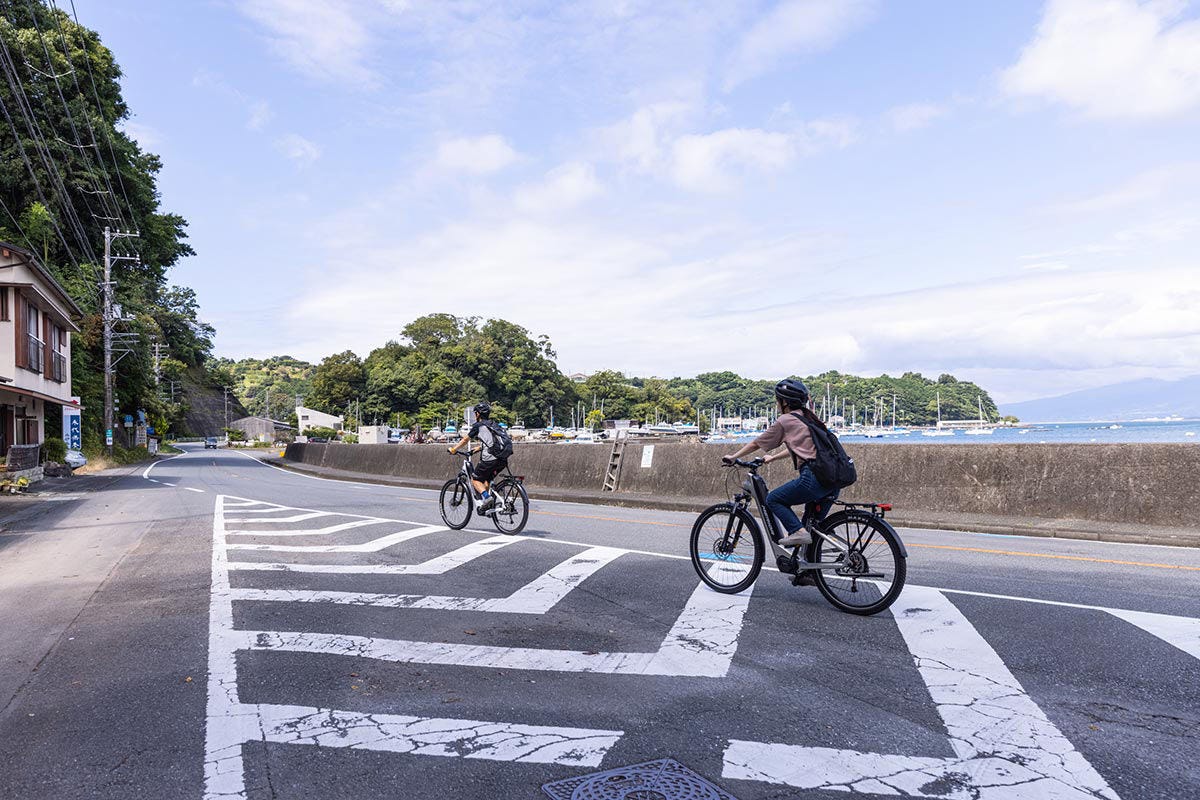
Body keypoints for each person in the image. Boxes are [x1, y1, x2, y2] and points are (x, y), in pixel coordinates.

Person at [722, 378, 839, 548]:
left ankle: (797, 532)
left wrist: (734, 456)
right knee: (811, 530)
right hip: (832, 480)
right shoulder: (808, 418)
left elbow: (757, 443)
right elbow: (799, 448)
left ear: (784, 401)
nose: (777, 403)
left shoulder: (786, 420)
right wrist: (773, 457)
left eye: (778, 400)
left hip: (813, 478)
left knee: (773, 499)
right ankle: (807, 572)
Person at [448, 401, 507, 512]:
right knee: (486, 479)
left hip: (490, 459)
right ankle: (487, 505)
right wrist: (479, 448)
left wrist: (454, 449)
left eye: (475, 413)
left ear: (478, 414)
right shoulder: (494, 424)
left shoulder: (478, 426)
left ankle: (487, 498)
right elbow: (494, 442)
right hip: (502, 459)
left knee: (475, 479)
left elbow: (466, 439)